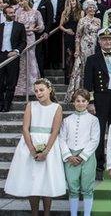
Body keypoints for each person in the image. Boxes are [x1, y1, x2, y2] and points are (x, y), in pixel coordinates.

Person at [5, 78, 66, 216]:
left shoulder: (57, 108)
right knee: (32, 179)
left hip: (48, 145)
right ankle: (34, 213)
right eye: (36, 91)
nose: (38, 93)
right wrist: (32, 149)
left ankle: (47, 213)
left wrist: (46, 151)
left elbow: (55, 131)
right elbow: (25, 129)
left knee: (46, 180)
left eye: (41, 90)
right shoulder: (30, 106)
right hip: (30, 144)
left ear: (49, 90)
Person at [84, 28, 111, 180]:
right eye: (104, 39)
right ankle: (99, 164)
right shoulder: (92, 59)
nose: (108, 42)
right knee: (99, 132)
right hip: (100, 98)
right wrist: (91, 102)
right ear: (100, 41)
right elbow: (87, 82)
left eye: (110, 39)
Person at [59, 89, 100, 216]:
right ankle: (73, 214)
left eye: (83, 101)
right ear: (73, 102)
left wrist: (82, 156)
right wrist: (68, 156)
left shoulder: (93, 120)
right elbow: (61, 139)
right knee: (73, 188)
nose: (80, 103)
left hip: (87, 157)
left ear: (88, 102)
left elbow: (94, 139)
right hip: (70, 157)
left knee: (87, 188)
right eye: (78, 101)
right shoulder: (67, 120)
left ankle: (87, 214)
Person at [65, 0, 101, 102]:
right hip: (84, 46)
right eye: (90, 7)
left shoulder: (98, 20)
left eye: (93, 7)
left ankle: (92, 92)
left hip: (95, 46)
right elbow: (78, 36)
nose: (92, 9)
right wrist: (77, 49)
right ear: (85, 9)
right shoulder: (82, 20)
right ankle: (80, 92)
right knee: (83, 68)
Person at [14, 0, 44, 96]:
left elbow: (41, 27)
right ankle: (21, 88)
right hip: (21, 39)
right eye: (19, 2)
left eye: (22, 1)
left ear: (27, 0)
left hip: (31, 38)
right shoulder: (17, 12)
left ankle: (33, 87)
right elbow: (15, 26)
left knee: (31, 60)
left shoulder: (36, 12)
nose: (20, 3)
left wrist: (34, 29)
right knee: (22, 62)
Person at [0, 6, 26, 112]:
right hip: (1, 55)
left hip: (13, 56)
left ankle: (7, 104)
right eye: (10, 13)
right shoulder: (0, 26)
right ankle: (1, 103)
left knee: (11, 81)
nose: (13, 14)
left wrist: (16, 51)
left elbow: (24, 41)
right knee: (0, 82)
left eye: (13, 12)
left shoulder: (20, 26)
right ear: (5, 15)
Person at [59, 0, 82, 85]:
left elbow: (82, 23)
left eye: (73, 1)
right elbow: (60, 26)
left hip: (78, 36)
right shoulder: (65, 12)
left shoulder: (80, 12)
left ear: (76, 1)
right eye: (70, 1)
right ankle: (68, 79)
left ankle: (77, 78)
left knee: (78, 56)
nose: (72, 3)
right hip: (69, 36)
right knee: (69, 57)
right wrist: (66, 30)